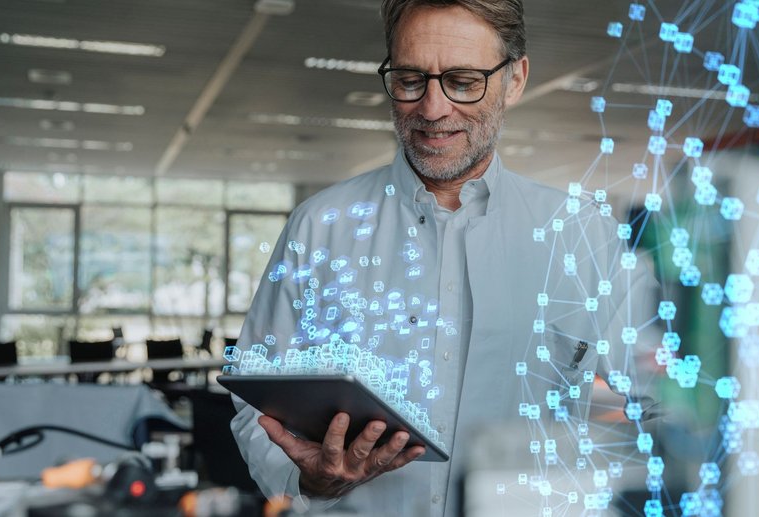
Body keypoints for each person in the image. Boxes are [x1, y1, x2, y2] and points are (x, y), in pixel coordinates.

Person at [230, 1, 660, 515]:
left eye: (462, 80)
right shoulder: (321, 227)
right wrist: (307, 483)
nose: (432, 109)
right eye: (411, 79)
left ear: (515, 79)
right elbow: (254, 399)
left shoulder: (582, 234)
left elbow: (668, 405)